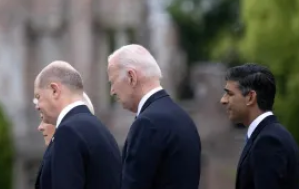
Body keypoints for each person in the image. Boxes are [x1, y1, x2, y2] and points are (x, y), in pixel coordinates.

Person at [107, 44, 200, 189]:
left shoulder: (147, 123)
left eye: (113, 82)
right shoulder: (183, 118)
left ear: (131, 77)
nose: (112, 91)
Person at [34, 61, 121, 189]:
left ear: (54, 90)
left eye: (39, 97)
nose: (37, 106)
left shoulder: (68, 132)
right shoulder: (101, 129)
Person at [221, 64, 299, 189]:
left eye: (230, 94)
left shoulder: (268, 141)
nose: (223, 100)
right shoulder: (270, 135)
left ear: (250, 97)